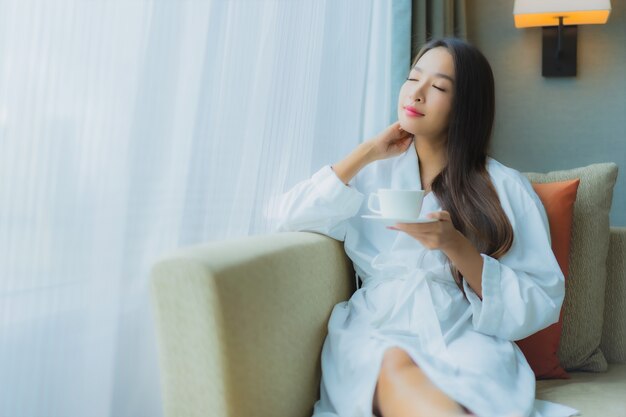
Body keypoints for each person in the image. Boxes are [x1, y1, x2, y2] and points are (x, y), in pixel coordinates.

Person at [269, 38, 578, 417]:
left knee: (466, 393)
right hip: (377, 325)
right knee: (392, 363)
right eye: (413, 78)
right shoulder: (371, 175)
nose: (416, 93)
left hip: (465, 333)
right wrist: (366, 153)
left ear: (465, 105)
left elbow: (540, 298)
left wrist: (457, 247)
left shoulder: (504, 186)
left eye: (438, 87)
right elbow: (288, 218)